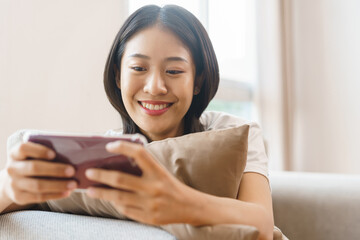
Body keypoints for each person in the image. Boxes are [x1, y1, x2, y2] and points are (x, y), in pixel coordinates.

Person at [0, 5, 274, 240]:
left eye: (174, 71)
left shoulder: (235, 131)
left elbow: (261, 224)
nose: (155, 87)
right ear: (119, 76)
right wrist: (8, 185)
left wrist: (179, 202)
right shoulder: (104, 151)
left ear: (198, 81)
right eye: (139, 68)